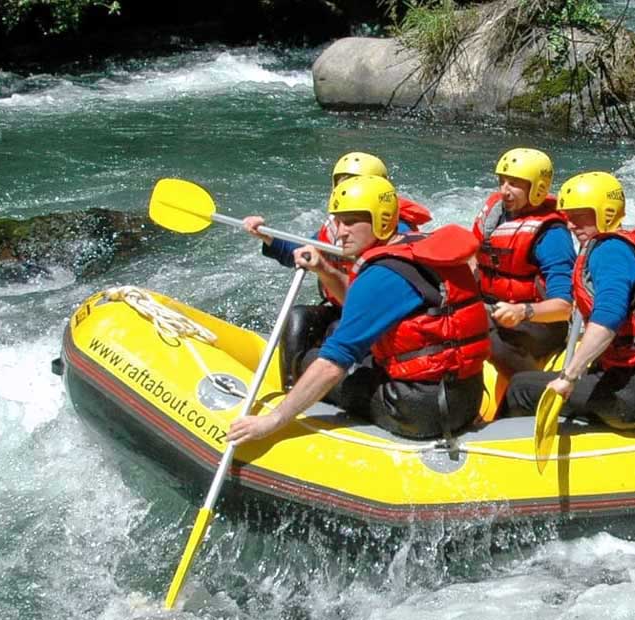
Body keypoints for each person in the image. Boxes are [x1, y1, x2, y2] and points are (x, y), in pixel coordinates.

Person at [229, 175, 491, 444]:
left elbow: (333, 364)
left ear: (383, 219)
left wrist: (272, 421)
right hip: (466, 397)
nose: (340, 231)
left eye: (352, 222)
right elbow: (361, 303)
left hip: (418, 411)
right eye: (338, 220)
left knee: (310, 361)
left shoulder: (382, 275)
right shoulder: (418, 245)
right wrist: (324, 269)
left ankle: (292, 406)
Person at [504, 172, 635, 430]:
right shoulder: (631, 244)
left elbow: (608, 317)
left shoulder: (610, 251)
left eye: (580, 215)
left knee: (520, 388)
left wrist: (568, 378)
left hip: (632, 397)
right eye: (568, 216)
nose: (570, 224)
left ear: (605, 212)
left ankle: (515, 457)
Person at [238, 152, 433, 386]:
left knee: (334, 330)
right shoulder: (338, 227)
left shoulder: (393, 229)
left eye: (354, 185)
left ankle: (345, 387)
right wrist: (268, 236)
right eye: (342, 185)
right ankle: (290, 389)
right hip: (345, 306)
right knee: (298, 317)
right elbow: (300, 250)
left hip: (381, 318)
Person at [472, 147, 577, 375]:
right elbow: (476, 263)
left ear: (537, 188)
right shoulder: (495, 216)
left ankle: (529, 390)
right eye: (502, 181)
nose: (504, 191)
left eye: (514, 183)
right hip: (493, 309)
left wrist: (522, 311)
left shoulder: (552, 235)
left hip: (541, 324)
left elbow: (564, 307)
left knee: (492, 340)